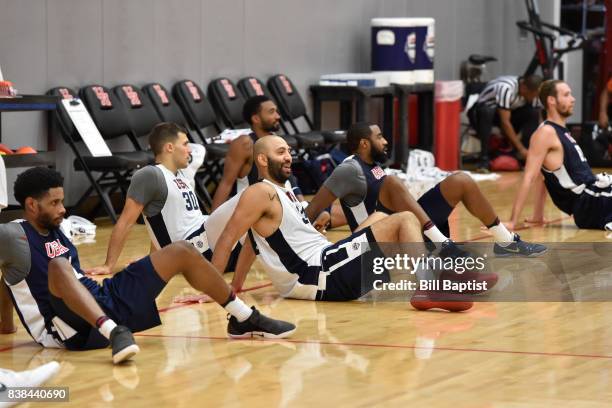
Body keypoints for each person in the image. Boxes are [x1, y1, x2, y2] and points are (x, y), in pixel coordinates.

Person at [0, 167, 296, 364]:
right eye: (54, 203)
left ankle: (244, 318)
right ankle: (114, 332)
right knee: (58, 266)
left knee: (180, 250)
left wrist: (6, 325)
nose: (63, 209)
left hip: (103, 298)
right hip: (69, 329)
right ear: (30, 205)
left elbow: (8, 277)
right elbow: (9, 274)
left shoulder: (54, 227)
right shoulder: (12, 234)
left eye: (62, 201)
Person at [208, 135, 474, 311]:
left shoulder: (284, 188)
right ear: (262, 160)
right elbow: (230, 237)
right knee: (404, 219)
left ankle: (444, 274)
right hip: (318, 273)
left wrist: (238, 284)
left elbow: (253, 241)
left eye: (289, 151)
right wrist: (212, 287)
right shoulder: (259, 192)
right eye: (281, 152)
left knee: (385, 214)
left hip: (327, 261)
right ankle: (430, 284)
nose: (289, 156)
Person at [305, 122, 547, 257]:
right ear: (365, 143)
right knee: (393, 183)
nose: (386, 141)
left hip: (407, 229)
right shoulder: (349, 169)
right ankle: (444, 246)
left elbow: (345, 207)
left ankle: (506, 242)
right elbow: (314, 206)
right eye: (380, 137)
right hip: (377, 243)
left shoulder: (372, 166)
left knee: (460, 180)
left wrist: (327, 215)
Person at [85, 122, 241, 275]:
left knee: (253, 206)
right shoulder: (149, 175)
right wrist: (108, 265)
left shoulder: (181, 175)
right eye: (185, 144)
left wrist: (153, 258)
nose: (189, 150)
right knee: (251, 194)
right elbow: (125, 222)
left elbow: (163, 223)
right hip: (195, 250)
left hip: (213, 245)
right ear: (170, 147)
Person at [510, 79, 612, 231]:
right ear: (552, 100)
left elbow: (542, 177)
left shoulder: (560, 131)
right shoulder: (545, 133)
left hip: (596, 193)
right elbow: (530, 177)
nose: (573, 99)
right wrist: (512, 221)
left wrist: (537, 216)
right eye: (566, 95)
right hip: (588, 203)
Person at [468, 75, 543, 171]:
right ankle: (484, 159)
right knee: (487, 111)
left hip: (507, 112)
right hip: (481, 114)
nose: (534, 98)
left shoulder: (533, 92)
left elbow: (539, 122)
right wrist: (520, 149)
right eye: (533, 95)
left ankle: (525, 157)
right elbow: (505, 122)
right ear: (524, 88)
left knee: (533, 113)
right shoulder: (506, 88)